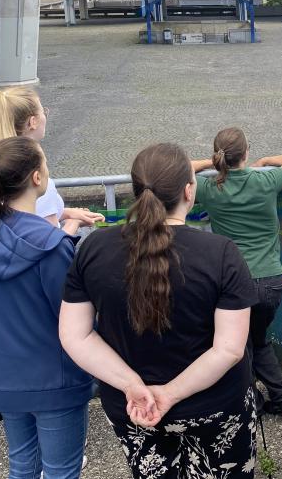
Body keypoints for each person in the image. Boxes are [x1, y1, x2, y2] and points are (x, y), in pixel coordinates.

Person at [60, 143, 259, 479]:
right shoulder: (221, 253)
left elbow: (75, 335)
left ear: (137, 191)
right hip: (216, 408)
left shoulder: (92, 248)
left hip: (133, 409)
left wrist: (131, 385)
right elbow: (229, 349)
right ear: (188, 190)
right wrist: (170, 394)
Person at [0, 136, 93, 479]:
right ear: (37, 178)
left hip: (2, 373)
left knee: (22, 466)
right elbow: (71, 315)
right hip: (53, 376)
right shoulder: (52, 247)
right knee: (61, 471)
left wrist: (65, 231)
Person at [191, 128, 282, 416]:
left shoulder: (209, 188)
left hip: (233, 283)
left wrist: (208, 163)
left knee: (237, 347)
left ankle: (251, 399)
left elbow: (176, 170)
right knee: (257, 340)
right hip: (270, 282)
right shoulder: (266, 180)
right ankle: (280, 396)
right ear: (246, 153)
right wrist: (268, 159)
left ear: (219, 156)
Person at [0, 87, 103, 235]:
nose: (45, 115)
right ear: (33, 122)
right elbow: (52, 244)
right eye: (43, 111)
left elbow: (26, 215)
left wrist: (67, 212)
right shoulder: (38, 183)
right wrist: (74, 223)